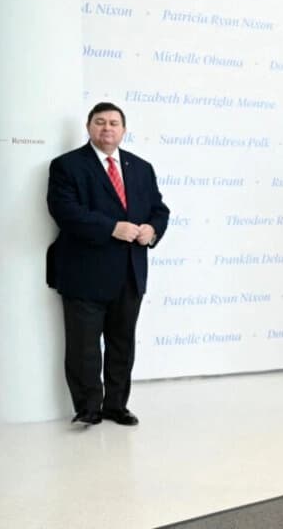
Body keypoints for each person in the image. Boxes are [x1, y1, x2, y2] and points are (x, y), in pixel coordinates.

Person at [47, 103, 170, 426]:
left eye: (114, 123)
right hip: (84, 273)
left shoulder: (141, 168)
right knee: (84, 347)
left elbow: (159, 209)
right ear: (88, 127)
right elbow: (65, 211)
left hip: (129, 273)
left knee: (122, 345)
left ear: (123, 130)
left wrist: (152, 230)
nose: (107, 128)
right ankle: (88, 408)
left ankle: (116, 405)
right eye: (100, 122)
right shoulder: (67, 166)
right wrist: (111, 228)